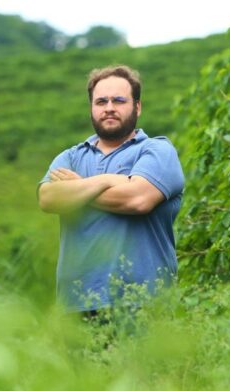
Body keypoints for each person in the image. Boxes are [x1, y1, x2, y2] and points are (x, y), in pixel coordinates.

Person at [38, 65, 184, 314]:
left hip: (146, 303)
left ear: (137, 107)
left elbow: (138, 200)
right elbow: (48, 198)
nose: (109, 108)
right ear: (91, 108)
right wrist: (110, 180)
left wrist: (77, 188)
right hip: (76, 306)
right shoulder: (71, 157)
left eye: (119, 100)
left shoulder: (157, 151)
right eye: (101, 101)